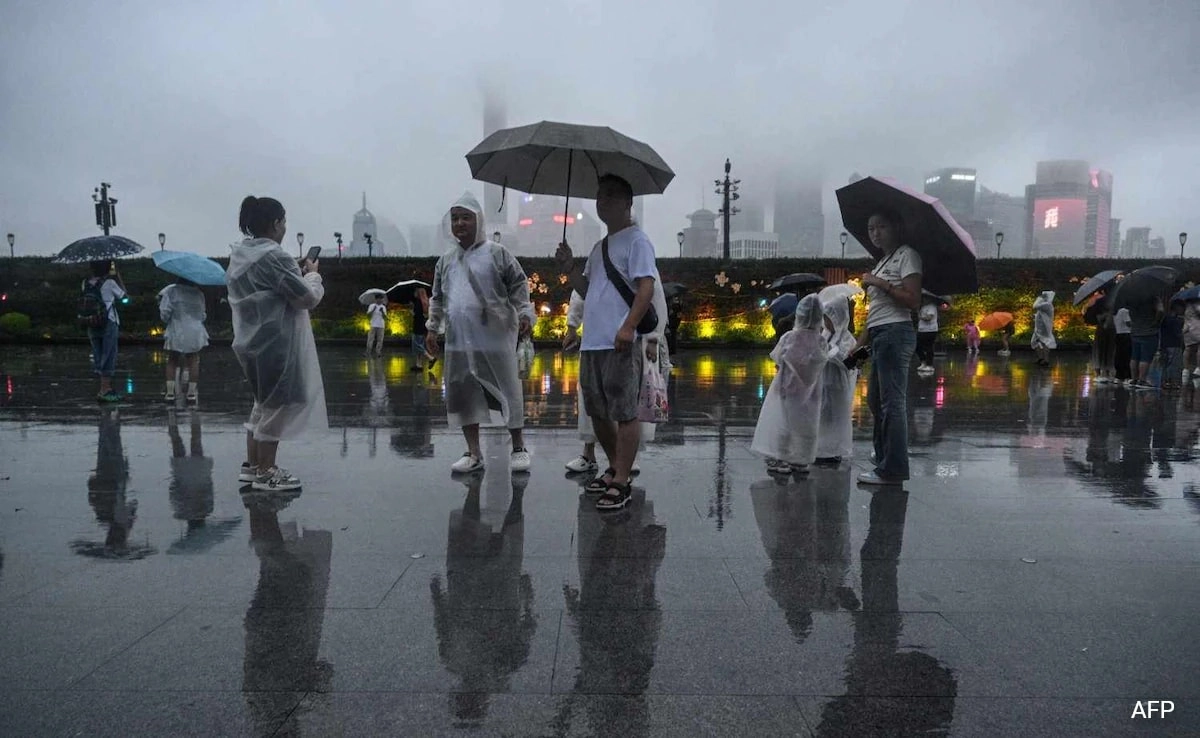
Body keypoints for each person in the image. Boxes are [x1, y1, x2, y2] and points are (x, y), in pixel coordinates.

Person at [555, 174, 659, 512]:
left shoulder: (637, 241)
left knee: (625, 411)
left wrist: (628, 326)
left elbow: (646, 287)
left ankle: (621, 480)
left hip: (620, 341)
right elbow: (586, 291)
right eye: (600, 196)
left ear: (628, 202)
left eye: (612, 196)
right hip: (593, 342)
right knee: (597, 411)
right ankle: (617, 469)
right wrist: (570, 267)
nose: (604, 202)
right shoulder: (600, 248)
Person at [426, 192, 535, 475]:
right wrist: (432, 328)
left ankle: (519, 447)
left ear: (479, 221)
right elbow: (437, 297)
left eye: (466, 217)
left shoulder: (497, 254)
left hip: (495, 337)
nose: (459, 223)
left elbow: (519, 285)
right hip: (459, 340)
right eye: (455, 218)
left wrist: (524, 314)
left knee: (508, 387)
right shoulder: (446, 261)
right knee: (463, 392)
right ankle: (473, 452)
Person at [228, 195, 328, 492]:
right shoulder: (275, 256)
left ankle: (252, 466)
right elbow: (306, 299)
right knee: (278, 405)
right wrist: (313, 276)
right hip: (277, 343)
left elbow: (269, 287)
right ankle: (267, 471)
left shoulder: (241, 255)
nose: (285, 227)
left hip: (250, 342)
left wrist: (293, 273)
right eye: (283, 221)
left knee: (263, 402)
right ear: (275, 224)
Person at [563, 282, 669, 477]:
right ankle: (589, 453)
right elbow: (581, 291)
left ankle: (628, 458)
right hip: (596, 340)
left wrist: (654, 338)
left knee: (628, 402)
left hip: (632, 340)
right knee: (593, 401)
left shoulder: (639, 256)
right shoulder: (595, 259)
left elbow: (655, 297)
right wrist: (572, 325)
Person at [855, 209, 922, 486]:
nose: (875, 233)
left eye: (881, 226)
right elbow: (876, 313)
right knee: (875, 401)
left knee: (892, 404)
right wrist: (859, 345)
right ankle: (884, 455)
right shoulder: (884, 261)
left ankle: (892, 469)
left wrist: (877, 282)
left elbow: (913, 300)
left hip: (896, 332)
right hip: (881, 334)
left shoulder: (908, 255)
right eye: (871, 228)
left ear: (895, 227)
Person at [752, 294, 827, 475]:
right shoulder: (821, 340)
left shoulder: (789, 337)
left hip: (787, 389)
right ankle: (801, 460)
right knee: (806, 425)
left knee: (784, 423)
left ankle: (781, 458)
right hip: (812, 393)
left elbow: (778, 358)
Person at [815, 296, 858, 465]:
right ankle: (820, 446)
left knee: (836, 416)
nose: (827, 322)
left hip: (838, 384)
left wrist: (831, 352)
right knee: (822, 415)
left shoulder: (847, 338)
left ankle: (834, 449)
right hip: (822, 381)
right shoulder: (824, 334)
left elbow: (847, 361)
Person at [82, 260, 127, 402]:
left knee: (98, 353)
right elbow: (124, 297)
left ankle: (104, 387)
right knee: (109, 354)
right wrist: (119, 277)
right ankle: (105, 389)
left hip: (90, 321)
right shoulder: (110, 283)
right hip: (108, 321)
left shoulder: (85, 283)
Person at [158, 278, 209, 402]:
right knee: (193, 360)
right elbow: (202, 315)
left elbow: (164, 315)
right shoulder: (199, 294)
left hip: (177, 328)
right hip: (195, 330)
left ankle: (170, 393)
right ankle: (191, 393)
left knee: (172, 359)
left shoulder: (171, 292)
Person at [1128, 297, 1164, 389]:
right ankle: (1142, 380)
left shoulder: (1133, 298)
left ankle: (1134, 379)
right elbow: (1160, 310)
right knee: (1145, 357)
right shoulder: (1153, 297)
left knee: (1134, 356)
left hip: (1135, 330)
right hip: (1149, 331)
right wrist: (1156, 322)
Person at [1084, 292, 1115, 384]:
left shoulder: (1098, 301)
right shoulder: (1114, 302)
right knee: (1109, 350)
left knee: (1099, 350)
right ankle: (1107, 372)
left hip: (1101, 329)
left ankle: (1098, 373)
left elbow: (1090, 315)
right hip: (1111, 329)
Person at [1159, 302, 1184, 390]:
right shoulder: (1175, 321)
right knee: (1174, 364)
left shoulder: (1165, 318)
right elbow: (1178, 334)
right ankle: (1172, 382)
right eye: (1181, 308)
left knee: (1165, 364)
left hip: (1164, 344)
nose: (1182, 310)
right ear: (1177, 309)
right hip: (1174, 344)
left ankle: (1164, 381)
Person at [411, 282, 434, 372]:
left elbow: (416, 314)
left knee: (417, 345)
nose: (414, 293)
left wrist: (411, 312)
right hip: (423, 325)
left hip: (417, 325)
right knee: (419, 343)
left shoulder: (417, 302)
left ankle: (431, 358)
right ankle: (419, 364)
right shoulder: (425, 302)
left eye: (415, 291)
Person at [1031, 291, 1056, 367]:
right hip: (1039, 328)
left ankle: (1045, 360)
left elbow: (1035, 306)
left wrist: (1039, 298)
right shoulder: (1045, 305)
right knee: (1034, 342)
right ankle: (1041, 358)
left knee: (1045, 342)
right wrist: (1035, 316)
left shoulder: (1047, 305)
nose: (1043, 297)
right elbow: (1041, 314)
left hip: (1044, 328)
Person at [915, 297, 939, 374]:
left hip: (930, 329)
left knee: (929, 347)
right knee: (917, 345)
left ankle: (929, 365)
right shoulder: (922, 307)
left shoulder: (931, 306)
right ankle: (923, 361)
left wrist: (920, 316)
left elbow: (929, 317)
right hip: (922, 329)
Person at [1113, 306, 1133, 383]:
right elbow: (1128, 323)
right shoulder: (1124, 311)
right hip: (1126, 334)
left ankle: (1119, 375)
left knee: (1119, 355)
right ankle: (1127, 376)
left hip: (1118, 333)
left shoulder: (1115, 311)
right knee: (1127, 356)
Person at [365, 293, 386, 357]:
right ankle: (368, 352)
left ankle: (378, 352)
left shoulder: (383, 307)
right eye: (379, 299)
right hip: (373, 324)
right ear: (376, 299)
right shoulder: (372, 306)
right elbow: (368, 315)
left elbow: (385, 317)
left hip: (381, 325)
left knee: (380, 340)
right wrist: (373, 310)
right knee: (370, 339)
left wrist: (382, 312)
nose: (380, 300)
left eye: (381, 299)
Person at [1183, 299, 1200, 381]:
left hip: (1186, 328)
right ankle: (1198, 369)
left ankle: (1185, 370)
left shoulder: (1187, 304)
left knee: (1188, 348)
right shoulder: (1197, 303)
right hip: (1197, 328)